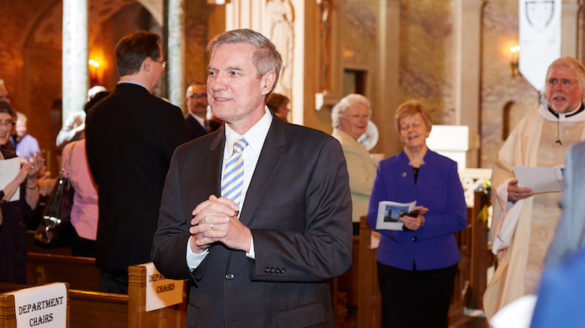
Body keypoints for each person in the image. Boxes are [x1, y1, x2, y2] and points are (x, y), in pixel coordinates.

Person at [151, 28, 352, 327]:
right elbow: (164, 251)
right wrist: (196, 243)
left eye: (233, 73)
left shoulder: (317, 151)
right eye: (213, 72)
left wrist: (247, 240)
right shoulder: (187, 156)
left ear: (266, 81)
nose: (216, 84)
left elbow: (333, 253)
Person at [85, 31, 187, 294]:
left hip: (111, 245)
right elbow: (183, 180)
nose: (161, 70)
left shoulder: (96, 114)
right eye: (162, 63)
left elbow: (98, 176)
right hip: (155, 249)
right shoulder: (166, 114)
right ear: (147, 64)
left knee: (114, 320)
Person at [484, 57, 585, 318]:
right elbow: (502, 168)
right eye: (552, 82)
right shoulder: (528, 126)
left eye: (566, 81)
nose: (557, 88)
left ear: (582, 88)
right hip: (528, 231)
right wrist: (509, 188)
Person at [366, 100, 467, 328]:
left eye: (416, 124)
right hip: (395, 262)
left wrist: (424, 223)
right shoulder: (386, 168)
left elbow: (459, 217)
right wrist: (402, 221)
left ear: (427, 129)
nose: (410, 130)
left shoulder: (447, 168)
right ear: (400, 133)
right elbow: (373, 216)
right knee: (395, 321)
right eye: (404, 126)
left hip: (438, 262)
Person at [62, 91, 109, 258]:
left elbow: (66, 185)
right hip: (112, 225)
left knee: (82, 279)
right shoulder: (120, 148)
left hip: (79, 224)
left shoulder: (71, 149)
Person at [0, 101, 42, 283]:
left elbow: (29, 208)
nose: (4, 128)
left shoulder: (11, 157)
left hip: (15, 242)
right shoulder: (16, 163)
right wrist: (19, 177)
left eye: (8, 123)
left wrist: (31, 179)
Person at [331, 94, 377, 234]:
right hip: (356, 219)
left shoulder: (352, 143)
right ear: (341, 118)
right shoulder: (344, 146)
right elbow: (362, 185)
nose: (363, 121)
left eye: (365, 116)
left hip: (361, 217)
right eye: (356, 116)